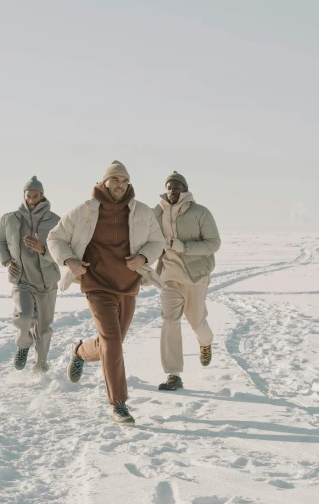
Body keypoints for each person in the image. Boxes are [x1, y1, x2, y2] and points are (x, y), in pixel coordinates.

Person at [47, 161, 165, 425]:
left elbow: (157, 241)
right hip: (96, 283)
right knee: (112, 341)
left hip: (128, 284)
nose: (120, 185)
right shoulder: (85, 211)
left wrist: (144, 257)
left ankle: (79, 352)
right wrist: (68, 261)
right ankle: (119, 404)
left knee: (111, 344)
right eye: (115, 180)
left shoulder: (142, 212)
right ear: (104, 183)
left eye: (124, 180)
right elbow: (55, 238)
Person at [153, 171, 221, 391]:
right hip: (168, 277)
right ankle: (173, 374)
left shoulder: (200, 212)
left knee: (196, 321)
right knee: (169, 320)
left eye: (177, 186)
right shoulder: (156, 212)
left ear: (185, 189)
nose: (173, 190)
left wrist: (184, 247)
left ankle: (205, 342)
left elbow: (213, 244)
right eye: (170, 186)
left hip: (196, 276)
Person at [0, 176, 60, 372]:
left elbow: (65, 249)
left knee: (43, 328)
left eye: (35, 196)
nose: (32, 200)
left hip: (46, 282)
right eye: (28, 196)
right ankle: (23, 345)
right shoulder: (10, 219)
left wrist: (43, 250)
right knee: (23, 317)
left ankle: (41, 364)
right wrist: (7, 261)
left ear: (42, 196)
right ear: (24, 196)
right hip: (21, 280)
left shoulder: (56, 220)